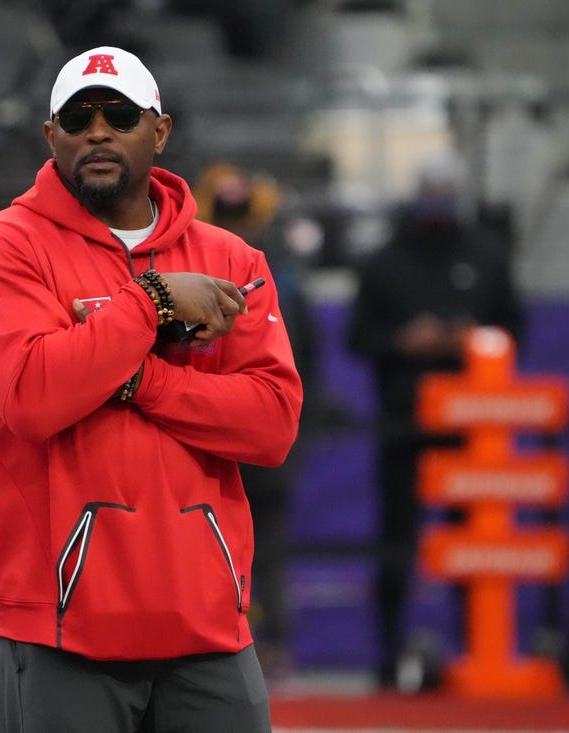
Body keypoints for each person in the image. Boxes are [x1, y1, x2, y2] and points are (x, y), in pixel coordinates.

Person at [0, 47, 303, 732]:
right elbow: (32, 396)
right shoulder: (0, 248)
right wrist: (155, 302)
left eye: (120, 114)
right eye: (78, 117)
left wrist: (136, 376)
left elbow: (273, 424)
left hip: (207, 622)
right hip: (60, 623)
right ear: (51, 136)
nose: (98, 130)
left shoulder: (233, 258)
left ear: (160, 131)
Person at [344, 150, 526, 692]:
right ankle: (387, 657)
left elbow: (515, 330)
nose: (440, 199)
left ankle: (480, 651)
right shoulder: (385, 261)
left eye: (449, 188)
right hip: (405, 425)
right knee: (397, 542)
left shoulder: (488, 256)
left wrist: (469, 339)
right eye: (433, 188)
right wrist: (406, 340)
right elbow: (358, 338)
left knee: (478, 542)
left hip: (474, 430)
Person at [193, 162, 322, 678]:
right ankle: (226, 640)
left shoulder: (277, 280)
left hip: (250, 432)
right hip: (213, 430)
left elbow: (303, 366)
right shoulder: (263, 276)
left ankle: (263, 643)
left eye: (239, 215)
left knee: (260, 544)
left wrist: (292, 430)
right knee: (214, 540)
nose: (237, 225)